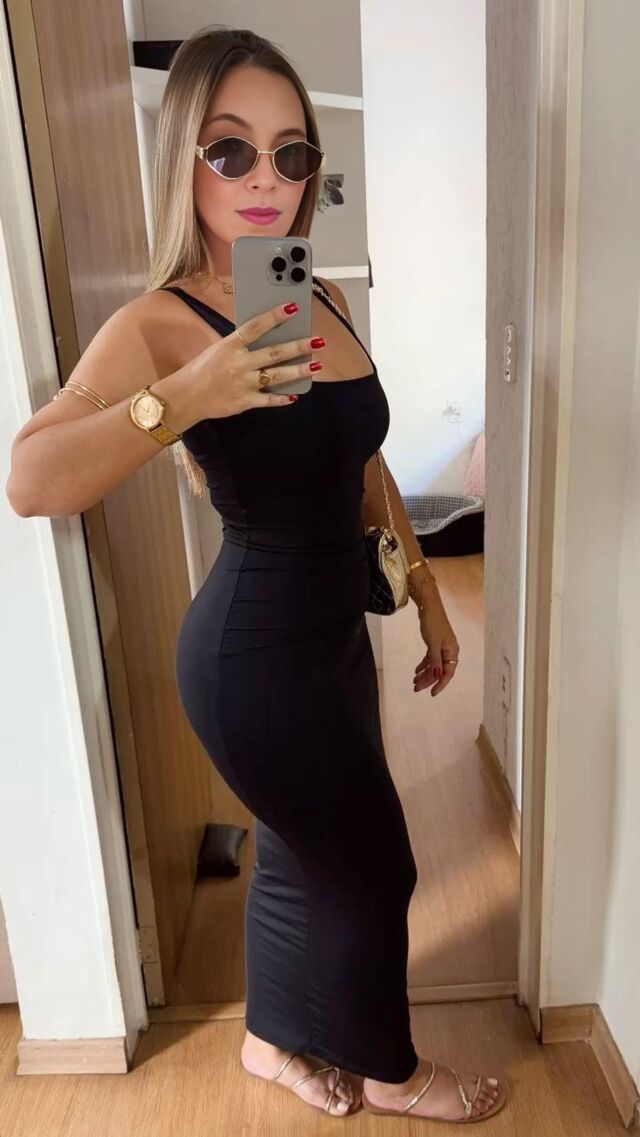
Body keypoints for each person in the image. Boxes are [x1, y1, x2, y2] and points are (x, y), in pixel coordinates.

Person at [6, 25, 507, 1125]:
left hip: (334, 638)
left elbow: (361, 455)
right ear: (183, 159)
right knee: (375, 867)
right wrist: (187, 396)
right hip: (251, 657)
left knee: (294, 851)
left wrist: (426, 592)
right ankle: (391, 1071)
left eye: (292, 153)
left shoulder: (312, 293)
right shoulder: (158, 323)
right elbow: (32, 479)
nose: (266, 179)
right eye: (230, 151)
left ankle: (271, 1043)